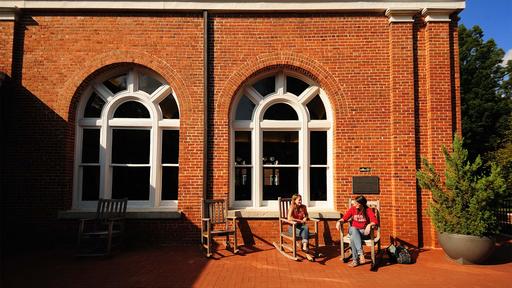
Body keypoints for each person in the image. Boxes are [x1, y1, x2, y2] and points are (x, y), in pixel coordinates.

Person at [336, 195, 378, 267]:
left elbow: (375, 221)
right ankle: (360, 253)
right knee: (354, 229)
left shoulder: (368, 210)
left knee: (352, 238)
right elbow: (345, 218)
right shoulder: (353, 209)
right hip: (352, 230)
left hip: (363, 232)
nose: (354, 204)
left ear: (361, 204)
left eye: (356, 203)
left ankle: (355, 261)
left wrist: (369, 225)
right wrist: (339, 221)